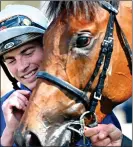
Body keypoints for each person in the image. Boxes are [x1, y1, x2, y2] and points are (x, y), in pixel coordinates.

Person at [0, 4, 131, 147]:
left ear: (49, 46)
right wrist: (9, 134)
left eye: (28, 52)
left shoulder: (90, 100)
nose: (21, 66)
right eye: (11, 60)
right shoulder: (5, 109)